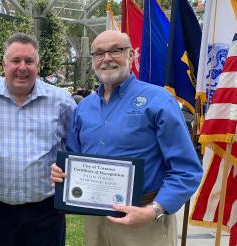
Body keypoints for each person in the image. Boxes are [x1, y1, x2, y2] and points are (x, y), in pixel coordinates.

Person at [50, 30, 203, 246]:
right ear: (93, 59)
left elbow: (187, 170)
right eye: (99, 53)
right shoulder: (84, 108)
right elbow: (73, 158)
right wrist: (61, 172)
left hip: (144, 221)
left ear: (131, 55)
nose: (107, 58)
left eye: (116, 50)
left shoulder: (159, 101)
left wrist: (153, 211)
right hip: (95, 219)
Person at [0, 32, 76, 246]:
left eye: (29, 61)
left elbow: (75, 144)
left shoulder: (61, 101)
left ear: (38, 64)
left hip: (47, 210)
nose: (22, 67)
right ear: (3, 64)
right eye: (15, 60)